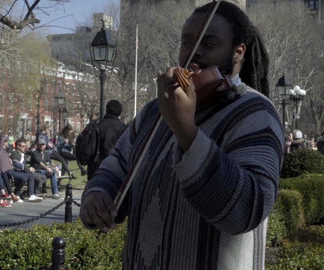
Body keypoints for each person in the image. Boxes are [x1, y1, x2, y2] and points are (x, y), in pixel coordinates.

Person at [80, 2, 284, 269]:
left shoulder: (255, 112)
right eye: (186, 43)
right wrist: (98, 194)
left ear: (238, 52)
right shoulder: (155, 110)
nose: (193, 52)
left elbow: (246, 210)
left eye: (209, 44)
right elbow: (118, 163)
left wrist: (187, 132)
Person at [86, 100, 126, 180]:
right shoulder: (123, 128)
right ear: (119, 112)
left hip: (95, 167)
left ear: (106, 110)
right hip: (115, 169)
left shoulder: (96, 125)